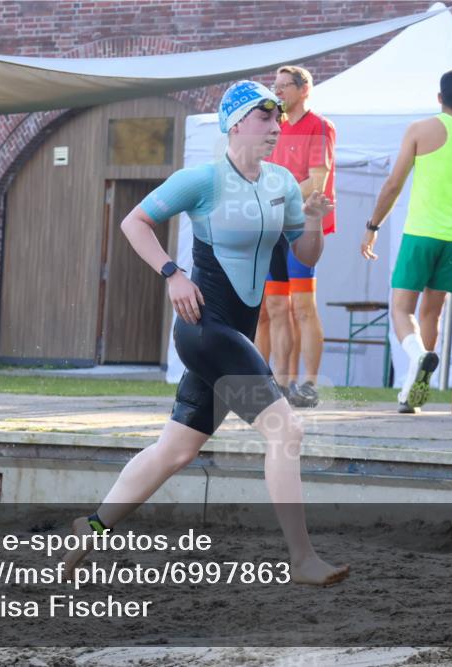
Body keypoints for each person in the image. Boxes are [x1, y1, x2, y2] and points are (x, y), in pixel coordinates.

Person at [61, 80, 348, 587]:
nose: (276, 128)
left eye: (278, 119)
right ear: (236, 123)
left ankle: (90, 527)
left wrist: (310, 225)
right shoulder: (203, 180)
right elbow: (134, 222)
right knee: (287, 430)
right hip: (204, 331)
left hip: (234, 333)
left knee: (176, 450)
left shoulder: (282, 182)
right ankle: (302, 559)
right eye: (265, 119)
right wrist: (173, 273)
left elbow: (304, 258)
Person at [361, 69, 452, 413]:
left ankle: (418, 356)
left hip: (420, 233)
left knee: (401, 309)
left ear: (439, 97)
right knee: (432, 313)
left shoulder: (419, 130)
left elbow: (393, 184)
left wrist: (373, 226)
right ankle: (413, 396)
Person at [255, 65, 337, 408]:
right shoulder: (275, 127)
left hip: (303, 226)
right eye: (275, 87)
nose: (278, 93)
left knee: (303, 306)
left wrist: (277, 198)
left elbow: (317, 181)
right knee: (274, 306)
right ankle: (279, 383)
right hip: (274, 227)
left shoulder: (319, 126)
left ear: (304, 90)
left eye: (284, 86)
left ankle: (310, 384)